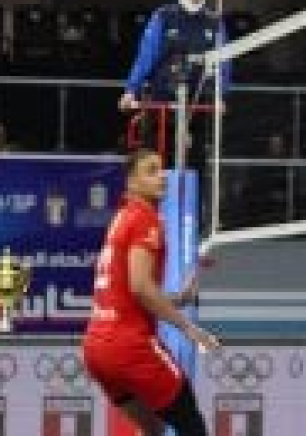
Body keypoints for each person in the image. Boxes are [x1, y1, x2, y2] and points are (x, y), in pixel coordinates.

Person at [82, 147, 220, 436]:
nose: (162, 177)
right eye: (151, 171)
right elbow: (141, 288)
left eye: (161, 170)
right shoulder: (145, 218)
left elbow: (128, 292)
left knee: (153, 428)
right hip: (129, 346)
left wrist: (178, 299)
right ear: (131, 182)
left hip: (96, 349)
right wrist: (188, 327)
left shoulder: (121, 217)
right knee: (191, 423)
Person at [119, 0, 228, 167]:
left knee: (195, 164)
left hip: (197, 104)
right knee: (155, 163)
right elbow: (146, 55)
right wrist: (131, 89)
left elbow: (224, 63)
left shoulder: (215, 22)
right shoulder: (164, 16)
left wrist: (220, 96)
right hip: (161, 102)